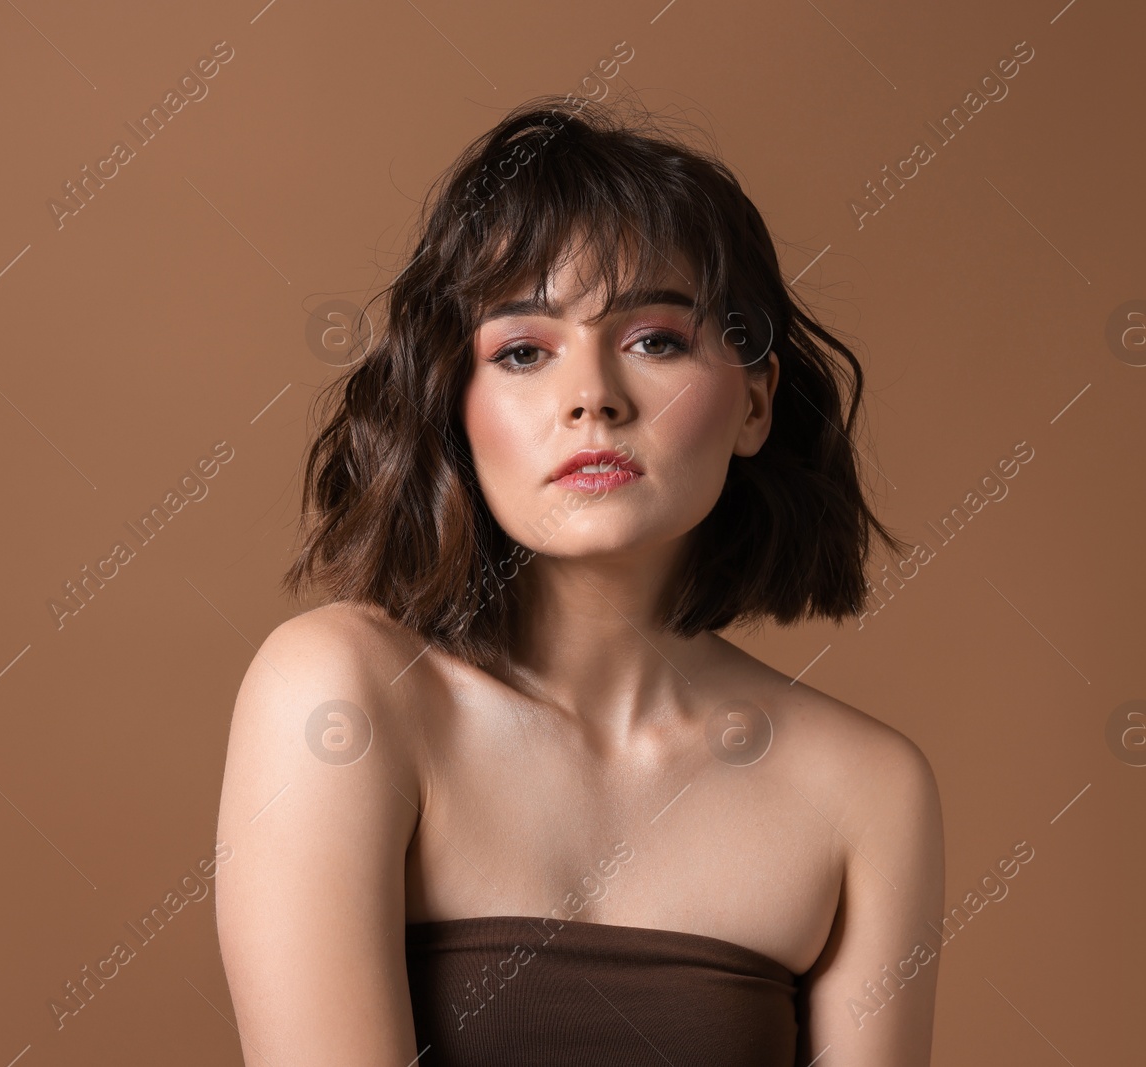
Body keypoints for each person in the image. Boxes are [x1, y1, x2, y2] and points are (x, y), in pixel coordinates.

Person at [214, 94, 945, 1066]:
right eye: (522, 351)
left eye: (656, 340)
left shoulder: (866, 790)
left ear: (755, 402)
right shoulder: (342, 692)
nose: (591, 395)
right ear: (452, 406)